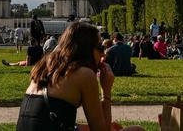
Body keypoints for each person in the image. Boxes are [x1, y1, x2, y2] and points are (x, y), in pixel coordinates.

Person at [15, 21, 143, 131]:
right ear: (87, 49)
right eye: (100, 47)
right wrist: (106, 91)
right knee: (137, 130)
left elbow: (44, 119)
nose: (103, 55)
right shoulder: (84, 75)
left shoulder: (43, 67)